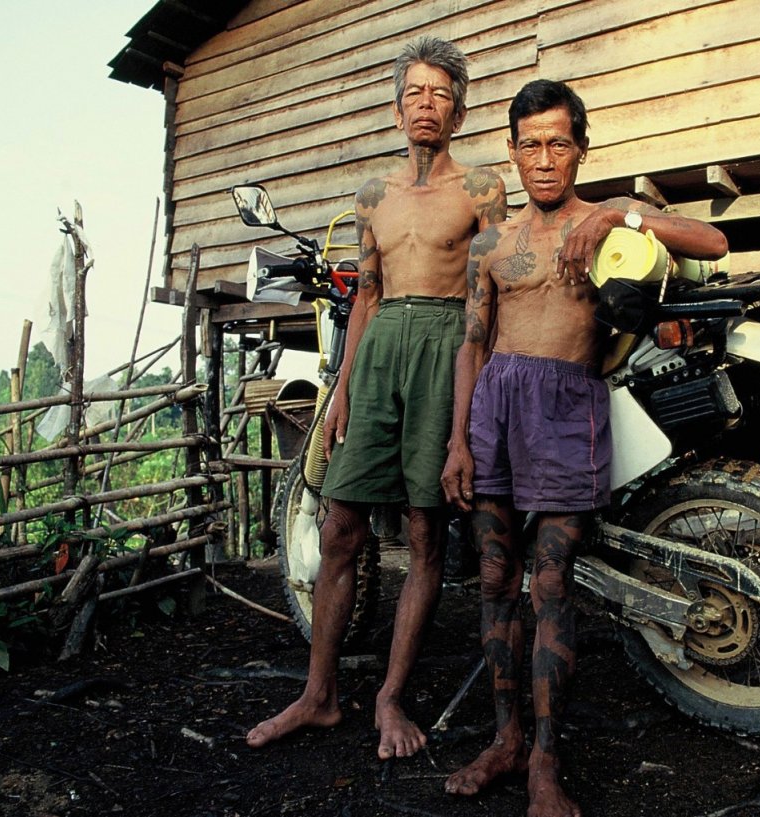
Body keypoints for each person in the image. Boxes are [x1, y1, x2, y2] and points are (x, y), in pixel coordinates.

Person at [440, 79, 727, 817]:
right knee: (496, 578)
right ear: (511, 150)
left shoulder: (608, 226)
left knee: (553, 583)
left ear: (580, 149)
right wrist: (457, 441)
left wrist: (617, 213)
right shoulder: (490, 244)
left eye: (558, 143)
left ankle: (544, 760)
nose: (543, 159)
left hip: (569, 409)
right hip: (494, 412)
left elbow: (713, 240)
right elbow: (472, 343)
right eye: (529, 144)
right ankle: (504, 739)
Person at [246, 36, 507, 760]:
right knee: (339, 527)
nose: (428, 105)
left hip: (446, 345)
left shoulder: (481, 188)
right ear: (398, 108)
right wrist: (340, 393)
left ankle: (389, 695)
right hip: (382, 346)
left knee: (425, 534)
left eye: (441, 94)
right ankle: (318, 693)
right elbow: (365, 294)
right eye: (415, 93)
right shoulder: (373, 195)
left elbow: (483, 302)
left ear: (458, 111)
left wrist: (466, 424)